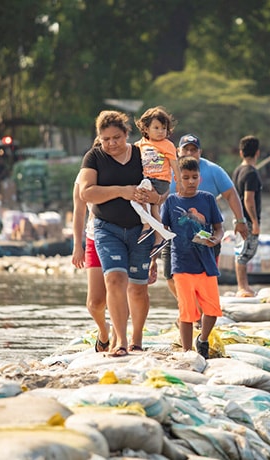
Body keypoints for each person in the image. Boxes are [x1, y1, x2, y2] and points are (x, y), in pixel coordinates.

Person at [78, 110, 160, 357]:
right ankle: (120, 341)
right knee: (114, 279)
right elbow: (86, 193)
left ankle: (137, 337)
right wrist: (121, 191)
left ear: (127, 134)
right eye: (106, 139)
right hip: (107, 228)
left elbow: (162, 190)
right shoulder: (93, 157)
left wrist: (155, 198)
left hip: (141, 229)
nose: (111, 143)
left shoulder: (143, 155)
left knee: (137, 288)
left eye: (116, 137)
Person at [157, 134, 248, 299]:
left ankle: (197, 309)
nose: (190, 153)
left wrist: (240, 220)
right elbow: (157, 200)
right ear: (178, 151)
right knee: (170, 275)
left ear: (200, 151)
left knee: (204, 277)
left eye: (194, 149)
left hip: (204, 234)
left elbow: (231, 194)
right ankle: (189, 306)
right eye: (186, 149)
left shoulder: (213, 171)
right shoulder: (168, 171)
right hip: (175, 234)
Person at [161, 156, 224, 358]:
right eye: (185, 177)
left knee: (213, 310)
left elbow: (219, 228)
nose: (190, 181)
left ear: (200, 179)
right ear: (177, 178)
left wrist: (216, 239)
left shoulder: (207, 199)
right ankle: (187, 353)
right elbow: (163, 229)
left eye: (194, 177)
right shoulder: (171, 201)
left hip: (206, 262)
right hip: (181, 263)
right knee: (186, 312)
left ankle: (203, 340)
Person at [71, 173, 111, 353]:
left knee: (119, 291)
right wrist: (77, 246)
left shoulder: (121, 167)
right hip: (94, 238)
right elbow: (79, 211)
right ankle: (104, 331)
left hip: (122, 237)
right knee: (95, 303)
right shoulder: (83, 177)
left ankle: (120, 338)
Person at [133, 106, 178, 258]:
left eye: (163, 128)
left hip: (160, 181)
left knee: (143, 193)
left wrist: (179, 181)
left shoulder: (167, 145)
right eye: (156, 127)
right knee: (154, 210)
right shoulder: (139, 145)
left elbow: (174, 164)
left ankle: (147, 225)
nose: (160, 131)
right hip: (147, 178)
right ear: (146, 128)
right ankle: (160, 239)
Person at [232, 135, 262, 297]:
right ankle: (242, 287)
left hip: (238, 218)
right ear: (257, 153)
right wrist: (255, 222)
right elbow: (248, 199)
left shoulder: (238, 171)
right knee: (245, 253)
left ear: (241, 153)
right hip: (247, 220)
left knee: (241, 252)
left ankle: (243, 286)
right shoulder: (251, 173)